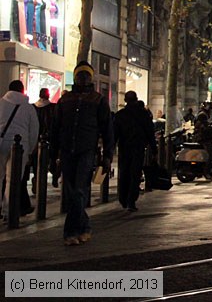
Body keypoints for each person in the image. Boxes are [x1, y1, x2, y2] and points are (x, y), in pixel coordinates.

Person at [50, 62, 113, 245]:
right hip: (68, 150)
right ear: (75, 77)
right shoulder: (65, 100)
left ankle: (70, 231)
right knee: (72, 192)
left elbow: (107, 129)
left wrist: (107, 155)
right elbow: (56, 128)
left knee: (79, 191)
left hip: (86, 150)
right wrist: (53, 155)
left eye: (86, 75)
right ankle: (84, 227)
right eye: (80, 75)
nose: (83, 78)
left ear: (90, 78)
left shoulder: (98, 100)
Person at [0, 80, 39, 222]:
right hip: (20, 146)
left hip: (1, 144)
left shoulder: (1, 103)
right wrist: (30, 149)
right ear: (22, 91)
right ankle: (8, 211)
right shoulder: (28, 108)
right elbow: (34, 130)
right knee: (13, 179)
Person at [114, 91, 157, 211]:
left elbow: (114, 134)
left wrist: (110, 148)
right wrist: (154, 149)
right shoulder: (143, 114)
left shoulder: (120, 114)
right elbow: (150, 132)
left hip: (124, 147)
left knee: (124, 173)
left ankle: (123, 198)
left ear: (125, 100)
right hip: (138, 147)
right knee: (135, 173)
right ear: (136, 99)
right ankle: (131, 200)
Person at [31, 87, 58, 190]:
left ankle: (37, 179)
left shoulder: (33, 107)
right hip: (49, 138)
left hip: (36, 137)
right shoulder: (52, 108)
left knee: (36, 161)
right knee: (49, 159)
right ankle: (46, 177)